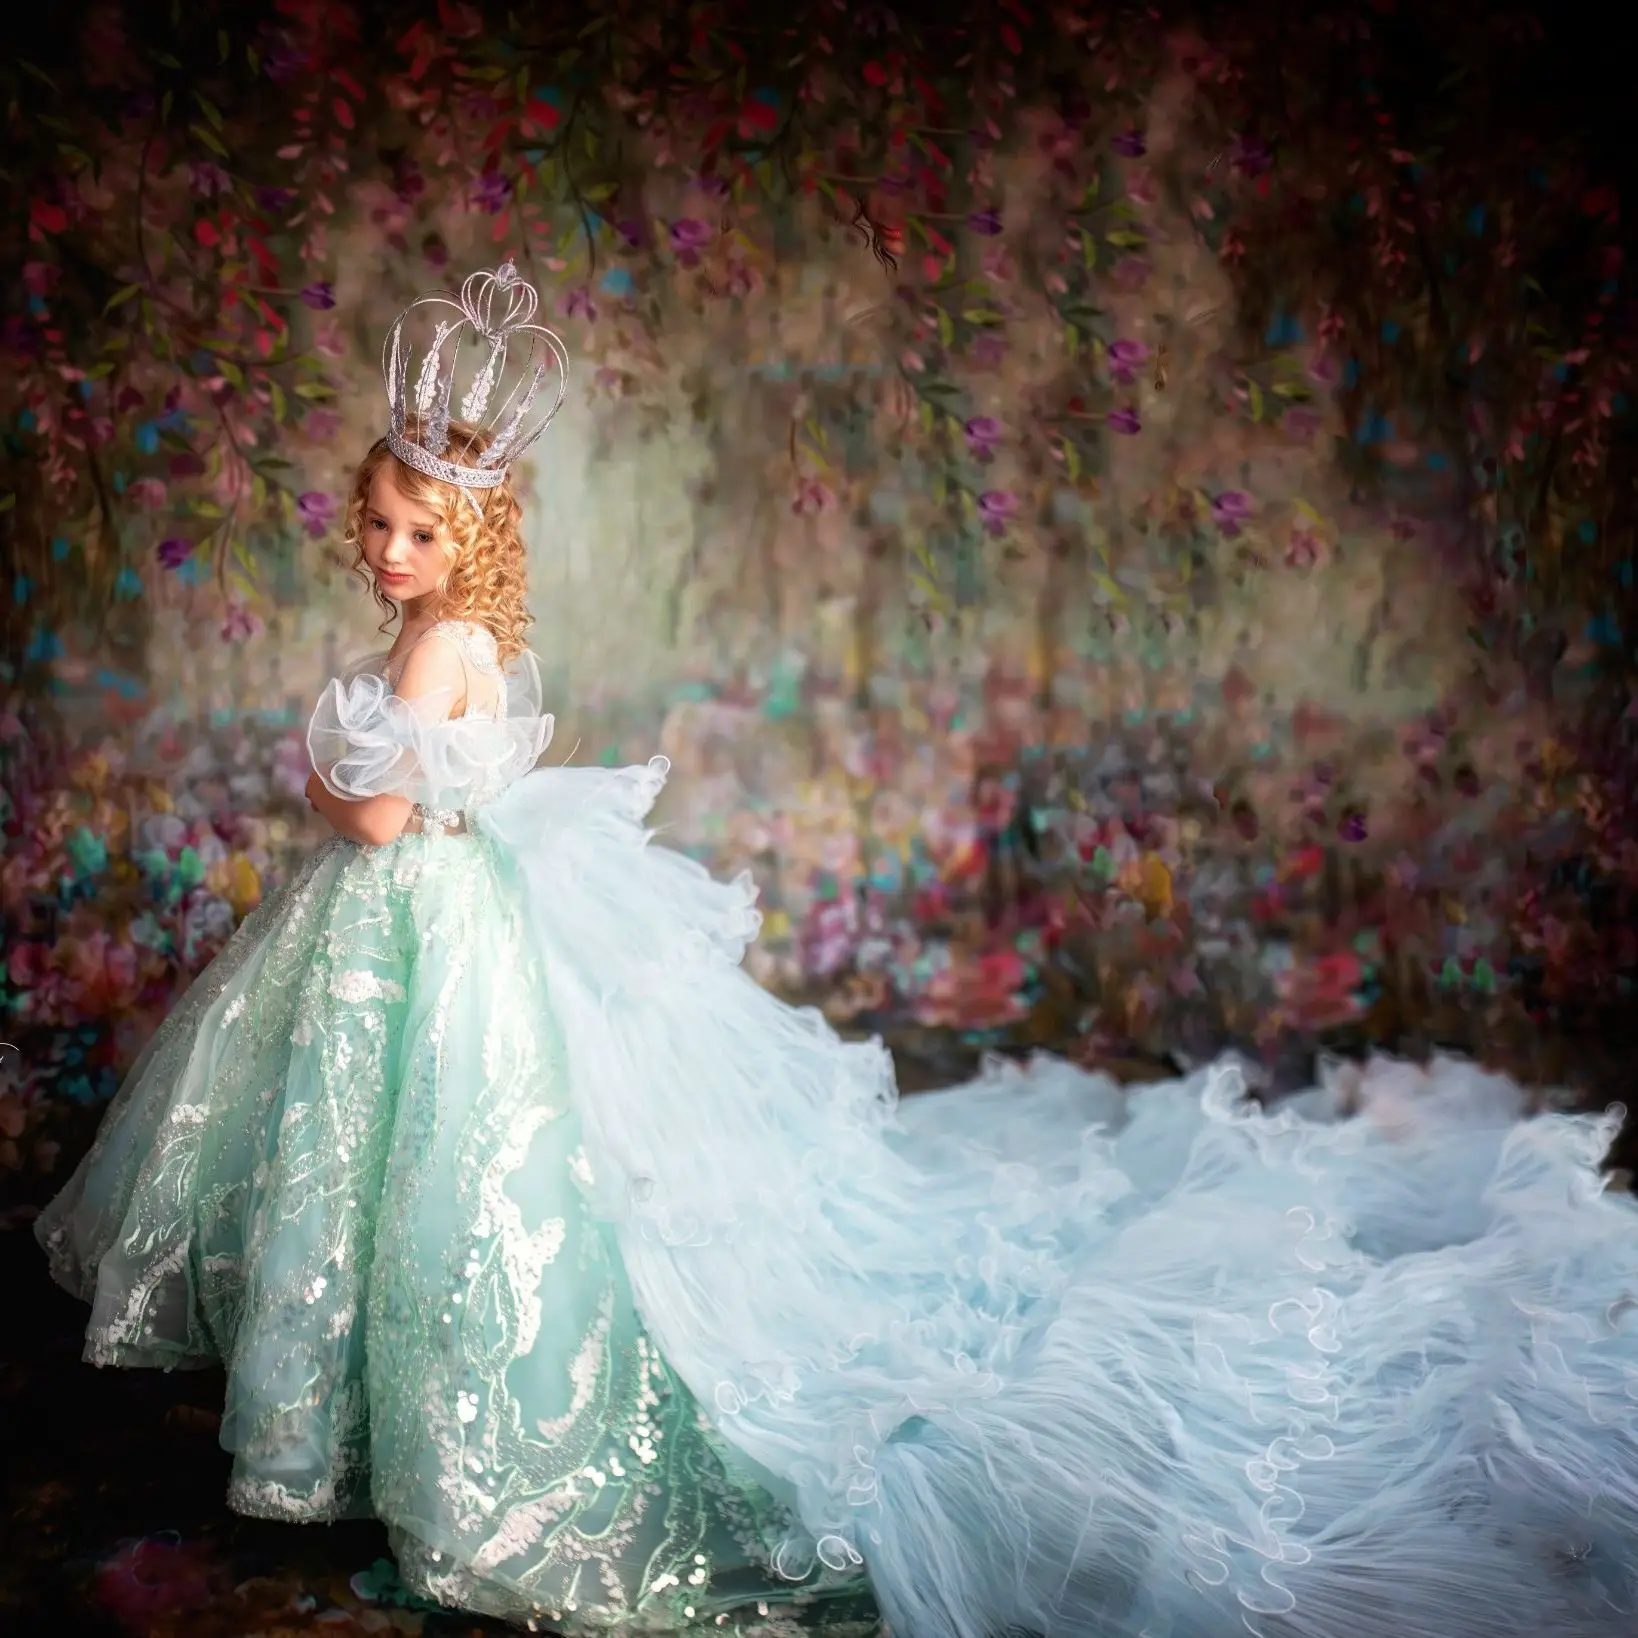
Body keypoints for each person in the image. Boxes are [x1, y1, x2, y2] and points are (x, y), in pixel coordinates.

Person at [35, 265, 1638, 1638]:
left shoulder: (446, 641)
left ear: (462, 544)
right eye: (370, 523)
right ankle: (361, 1416)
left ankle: (432, 1434)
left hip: (412, 907)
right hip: (395, 930)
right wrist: (362, 774)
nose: (375, 547)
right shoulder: (433, 632)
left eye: (402, 530)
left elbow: (382, 821)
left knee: (442, 1161)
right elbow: (431, 788)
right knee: (371, 1155)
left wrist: (321, 772)